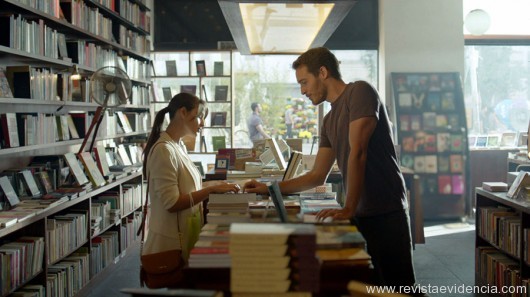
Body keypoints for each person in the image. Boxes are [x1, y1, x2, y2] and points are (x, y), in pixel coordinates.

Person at [243, 47, 422, 295]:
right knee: (370, 287)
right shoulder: (328, 120)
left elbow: (358, 151)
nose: (303, 91)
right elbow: (316, 175)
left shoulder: (359, 92)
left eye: (305, 82)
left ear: (323, 72)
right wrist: (269, 189)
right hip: (359, 213)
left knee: (399, 288)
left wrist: (347, 208)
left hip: (385, 209)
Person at [142, 93, 241, 262]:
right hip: (170, 243)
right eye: (199, 117)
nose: (202, 123)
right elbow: (172, 203)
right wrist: (211, 189)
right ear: (182, 112)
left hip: (184, 234)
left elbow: (187, 186)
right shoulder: (163, 150)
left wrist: (218, 184)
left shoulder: (178, 145)